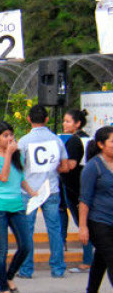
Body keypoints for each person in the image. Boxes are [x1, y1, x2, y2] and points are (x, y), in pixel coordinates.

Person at [0, 121, 36, 293]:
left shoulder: (16, 155)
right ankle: (3, 287)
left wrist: (32, 192)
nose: (9, 139)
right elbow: (4, 177)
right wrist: (8, 154)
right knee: (2, 250)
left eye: (11, 135)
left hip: (16, 206)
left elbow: (20, 178)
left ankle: (10, 275)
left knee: (26, 245)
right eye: (5, 136)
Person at [17, 104, 68, 279]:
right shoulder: (56, 140)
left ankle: (26, 269)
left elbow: (19, 166)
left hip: (30, 191)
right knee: (55, 229)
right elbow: (65, 166)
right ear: (47, 119)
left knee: (27, 231)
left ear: (28, 119)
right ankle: (58, 268)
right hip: (51, 189)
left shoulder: (24, 141)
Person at [79, 126, 113, 293]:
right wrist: (83, 226)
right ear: (101, 144)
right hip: (98, 220)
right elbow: (84, 199)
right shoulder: (93, 167)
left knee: (101, 259)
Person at [61, 109, 92, 273]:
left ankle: (87, 261)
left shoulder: (74, 141)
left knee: (83, 224)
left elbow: (70, 165)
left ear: (77, 123)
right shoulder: (89, 139)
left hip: (75, 188)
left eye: (68, 121)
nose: (64, 124)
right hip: (87, 187)